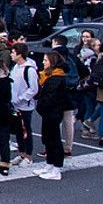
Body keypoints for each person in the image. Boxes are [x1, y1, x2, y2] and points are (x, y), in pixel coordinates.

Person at [33, 52, 69, 181]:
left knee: (54, 140)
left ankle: (57, 168)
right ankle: (49, 164)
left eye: (46, 60)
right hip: (49, 112)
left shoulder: (55, 78)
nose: (43, 62)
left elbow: (49, 97)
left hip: (53, 112)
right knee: (48, 139)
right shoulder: (50, 77)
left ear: (52, 63)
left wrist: (41, 107)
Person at [9, 44, 38, 166]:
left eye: (13, 52)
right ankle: (21, 153)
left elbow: (33, 89)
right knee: (19, 130)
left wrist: (21, 98)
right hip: (15, 105)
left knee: (26, 130)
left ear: (19, 54)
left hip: (25, 106)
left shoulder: (29, 70)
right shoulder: (15, 67)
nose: (11, 54)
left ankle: (29, 156)